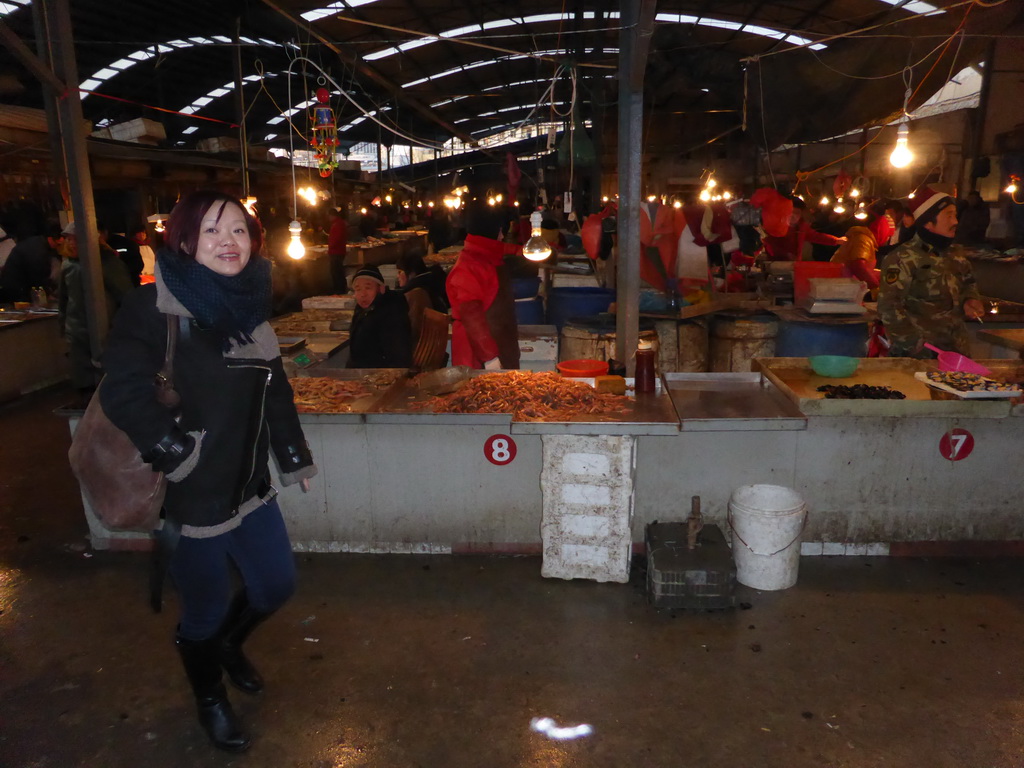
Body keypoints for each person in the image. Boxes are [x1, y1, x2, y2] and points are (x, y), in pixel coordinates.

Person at [99, 190, 317, 753]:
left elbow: (277, 396)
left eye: (240, 231)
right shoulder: (152, 309)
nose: (229, 242)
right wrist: (177, 453)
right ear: (186, 239)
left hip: (248, 485)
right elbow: (123, 392)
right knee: (205, 608)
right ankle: (211, 698)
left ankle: (228, 645)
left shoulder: (251, 313)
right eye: (214, 231)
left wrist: (294, 459)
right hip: (191, 494)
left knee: (275, 586)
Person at [877, 188, 984, 357]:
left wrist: (970, 299)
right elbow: (888, 306)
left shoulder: (954, 253)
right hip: (919, 356)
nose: (955, 221)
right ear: (928, 222)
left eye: (955, 215)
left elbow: (968, 282)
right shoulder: (903, 258)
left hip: (956, 351)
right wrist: (914, 344)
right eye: (948, 215)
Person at [57, 220, 134, 400]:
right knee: (83, 379)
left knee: (107, 373)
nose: (72, 243)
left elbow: (125, 294)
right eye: (70, 239)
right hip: (77, 329)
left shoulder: (106, 263)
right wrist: (63, 325)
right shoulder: (68, 265)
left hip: (105, 325)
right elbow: (64, 298)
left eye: (76, 239)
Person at [446, 200, 520, 370]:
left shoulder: (485, 255)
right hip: (476, 353)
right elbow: (471, 314)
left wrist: (522, 250)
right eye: (500, 231)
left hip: (498, 342)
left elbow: (499, 248)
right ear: (491, 232)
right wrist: (489, 357)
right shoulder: (469, 265)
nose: (502, 236)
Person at [346, 264, 413, 368]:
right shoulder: (362, 309)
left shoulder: (392, 312)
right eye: (358, 289)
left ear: (381, 289)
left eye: (368, 288)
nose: (362, 294)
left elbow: (399, 357)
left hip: (379, 374)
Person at [761, 198, 846, 261]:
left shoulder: (802, 227)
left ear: (800, 215)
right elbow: (769, 244)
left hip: (795, 264)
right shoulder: (775, 227)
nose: (793, 216)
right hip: (776, 264)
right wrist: (785, 254)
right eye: (790, 212)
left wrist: (836, 240)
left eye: (796, 213)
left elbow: (816, 236)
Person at [396, 252, 449, 349]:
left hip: (424, 347)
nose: (397, 276)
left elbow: (413, 330)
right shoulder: (431, 283)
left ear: (411, 274)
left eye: (400, 272)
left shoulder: (416, 293)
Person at [0, 226, 63, 303]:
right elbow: (37, 275)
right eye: (59, 244)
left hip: (17, 284)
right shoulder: (38, 251)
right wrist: (47, 293)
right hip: (17, 289)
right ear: (51, 239)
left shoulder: (38, 244)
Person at [326, 207, 348, 293]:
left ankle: (339, 290)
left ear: (332, 216)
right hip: (339, 251)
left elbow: (337, 238)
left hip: (336, 252)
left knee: (336, 272)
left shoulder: (337, 224)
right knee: (338, 271)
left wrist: (330, 246)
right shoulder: (340, 223)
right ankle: (340, 289)